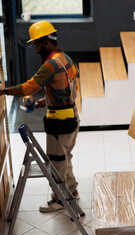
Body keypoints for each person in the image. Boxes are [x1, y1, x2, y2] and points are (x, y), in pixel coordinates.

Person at [0, 20, 80, 212]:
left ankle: (60, 199)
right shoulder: (66, 59)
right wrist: (42, 102)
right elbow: (65, 90)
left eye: (36, 44)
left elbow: (28, 87)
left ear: (45, 43)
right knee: (65, 156)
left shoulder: (50, 65)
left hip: (59, 121)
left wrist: (3, 91)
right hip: (71, 117)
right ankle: (72, 190)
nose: (35, 48)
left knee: (56, 161)